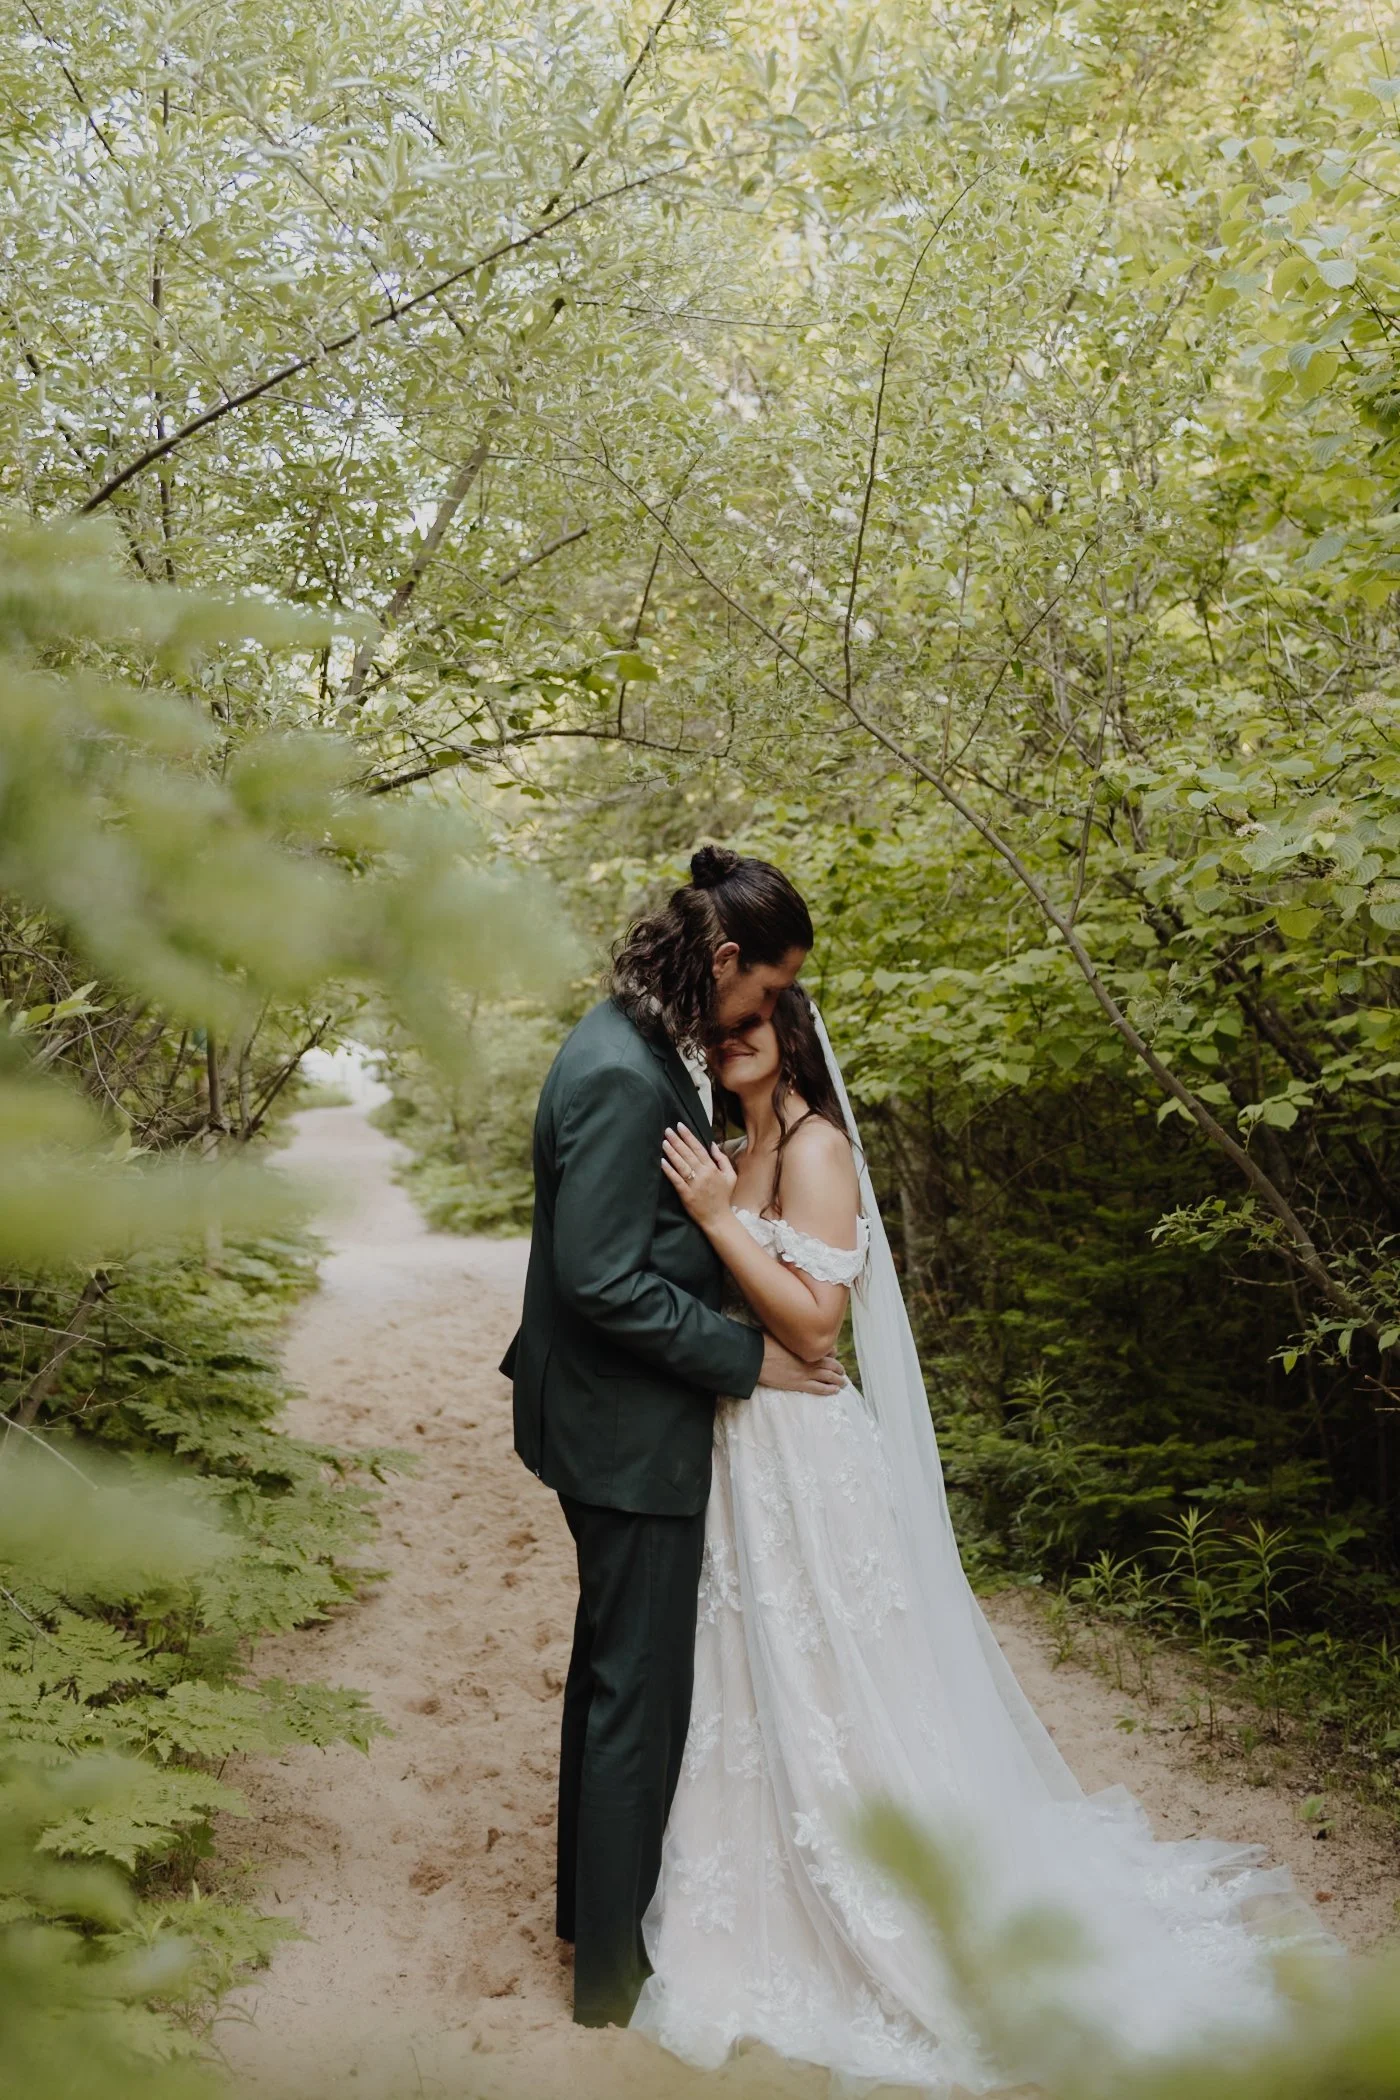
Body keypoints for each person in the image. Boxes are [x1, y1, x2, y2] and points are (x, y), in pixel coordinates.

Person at [630, 984, 1338, 2092]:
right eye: (717, 1027)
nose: (730, 1040)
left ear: (792, 1029)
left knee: (849, 1682)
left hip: (807, 1455)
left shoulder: (817, 1150)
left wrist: (722, 1221)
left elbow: (815, 1325)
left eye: (751, 1022)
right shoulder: (736, 1145)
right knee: (756, 1679)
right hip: (742, 1448)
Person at [499, 846, 845, 2030]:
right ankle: (610, 1980)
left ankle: (589, 1920)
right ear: (724, 957)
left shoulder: (640, 1044)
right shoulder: (618, 1072)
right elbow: (600, 1279)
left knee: (615, 1676)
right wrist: (750, 1360)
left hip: (613, 1415)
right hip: (623, 1427)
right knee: (634, 1694)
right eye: (768, 988)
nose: (771, 1012)